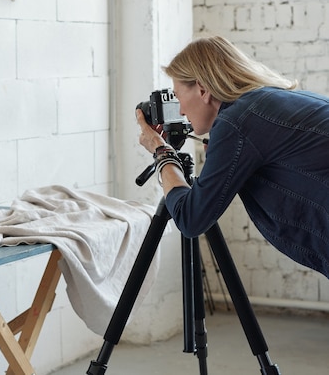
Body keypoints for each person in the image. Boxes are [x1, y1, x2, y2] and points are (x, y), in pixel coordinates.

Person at [135, 35, 329, 278]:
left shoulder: (236, 123)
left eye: (179, 96)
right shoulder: (268, 100)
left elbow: (191, 219)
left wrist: (162, 153)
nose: (181, 110)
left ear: (202, 89)